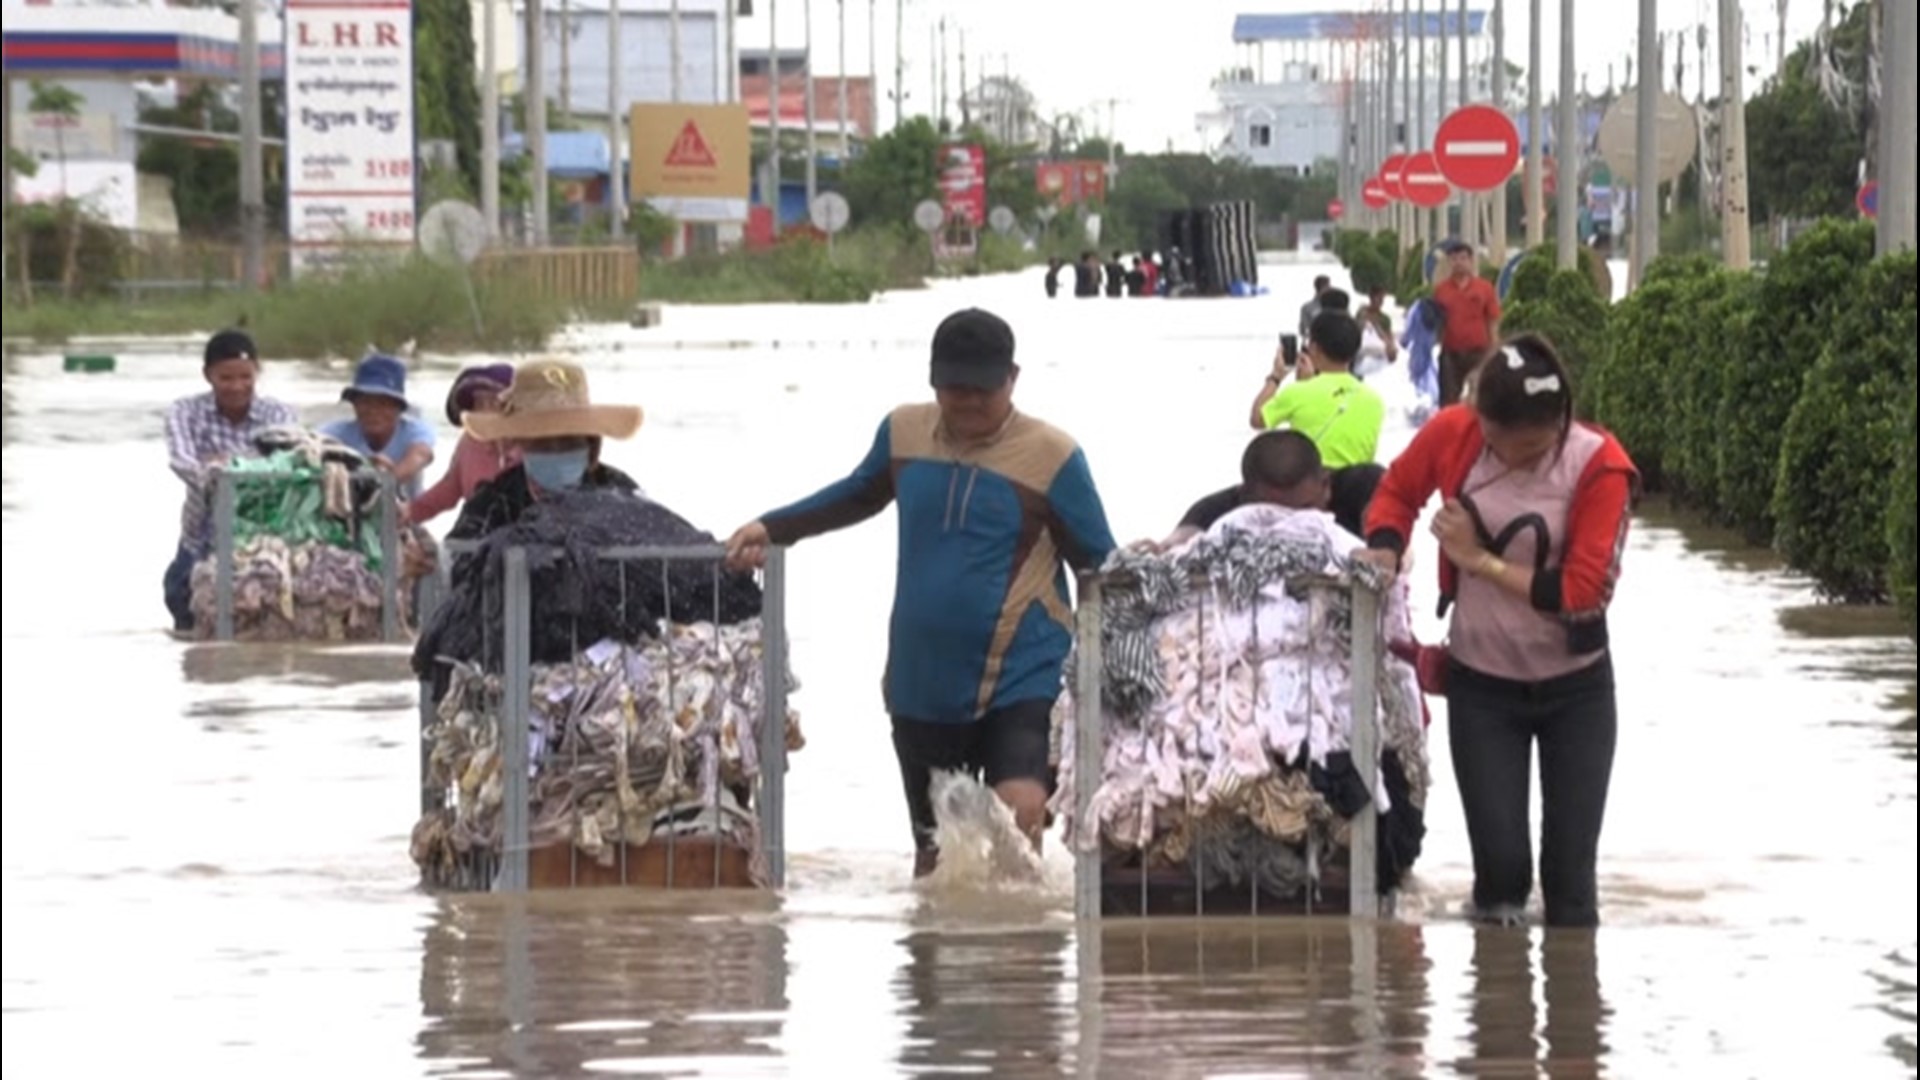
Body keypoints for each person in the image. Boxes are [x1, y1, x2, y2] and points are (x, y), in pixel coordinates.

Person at [722, 308, 1117, 879]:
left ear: (1013, 378)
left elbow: (1097, 563)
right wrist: (773, 527)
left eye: (982, 390)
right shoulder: (903, 432)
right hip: (921, 678)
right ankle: (935, 958)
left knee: (1021, 810)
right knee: (936, 855)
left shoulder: (1053, 455)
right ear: (933, 379)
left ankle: (1024, 956)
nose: (968, 403)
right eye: (954, 388)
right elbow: (855, 496)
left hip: (1025, 668)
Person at [1360, 333, 1639, 929]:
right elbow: (1397, 491)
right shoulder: (1453, 435)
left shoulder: (1599, 464)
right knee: (1502, 879)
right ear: (1477, 415)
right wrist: (1385, 547)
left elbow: (1583, 591)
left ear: (1561, 422)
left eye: (1531, 447)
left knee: (1570, 889)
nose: (1509, 456)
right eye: (1495, 440)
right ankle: (1499, 1009)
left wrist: (1477, 559)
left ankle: (1575, 1014)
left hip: (1577, 689)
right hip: (1482, 685)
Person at [162, 329, 299, 632]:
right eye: (226, 378)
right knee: (181, 597)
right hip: (201, 530)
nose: (237, 387)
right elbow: (182, 460)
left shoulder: (278, 412)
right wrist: (222, 472)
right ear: (208, 376)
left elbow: (289, 463)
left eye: (245, 377)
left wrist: (231, 465)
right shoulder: (184, 412)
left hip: (265, 532)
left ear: (257, 373)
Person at [448, 358, 646, 541]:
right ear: (521, 443)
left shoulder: (622, 494)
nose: (556, 451)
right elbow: (458, 558)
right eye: (542, 444)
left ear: (591, 445)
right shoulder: (495, 501)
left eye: (569, 442)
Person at [1241, 311, 1387, 535]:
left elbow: (1257, 418)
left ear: (1315, 348)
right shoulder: (1374, 400)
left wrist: (1276, 376)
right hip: (1358, 492)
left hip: (1308, 494)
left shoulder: (1298, 392)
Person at [406, 364, 521, 527]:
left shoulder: (534, 446)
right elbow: (449, 489)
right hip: (477, 535)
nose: (485, 411)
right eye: (479, 403)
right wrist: (410, 512)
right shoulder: (469, 443)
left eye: (495, 402)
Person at [319, 354, 436, 499]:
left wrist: (387, 478)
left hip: (406, 516)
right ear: (354, 405)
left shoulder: (414, 430)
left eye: (382, 404)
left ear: (398, 408)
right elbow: (307, 450)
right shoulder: (335, 433)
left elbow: (421, 455)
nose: (373, 411)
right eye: (365, 402)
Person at [1431, 239, 1502, 407]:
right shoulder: (1441, 291)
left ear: (1471, 261)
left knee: (1482, 399)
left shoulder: (1484, 288)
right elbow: (1435, 322)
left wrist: (1495, 349)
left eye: (1463, 258)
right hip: (1450, 354)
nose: (1459, 263)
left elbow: (1493, 320)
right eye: (1454, 259)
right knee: (1449, 401)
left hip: (1478, 353)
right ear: (1449, 263)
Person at [1354, 284, 1400, 380]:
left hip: (1376, 356)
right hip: (1360, 355)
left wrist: (1391, 347)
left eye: (1382, 299)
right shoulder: (1362, 313)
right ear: (1371, 298)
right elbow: (1356, 331)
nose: (1381, 302)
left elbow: (1389, 336)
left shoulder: (1384, 319)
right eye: (1378, 298)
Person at [1299, 274, 1332, 339]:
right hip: (1315, 341)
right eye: (1327, 286)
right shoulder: (1307, 308)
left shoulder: (1334, 305)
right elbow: (1304, 329)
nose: (1330, 288)